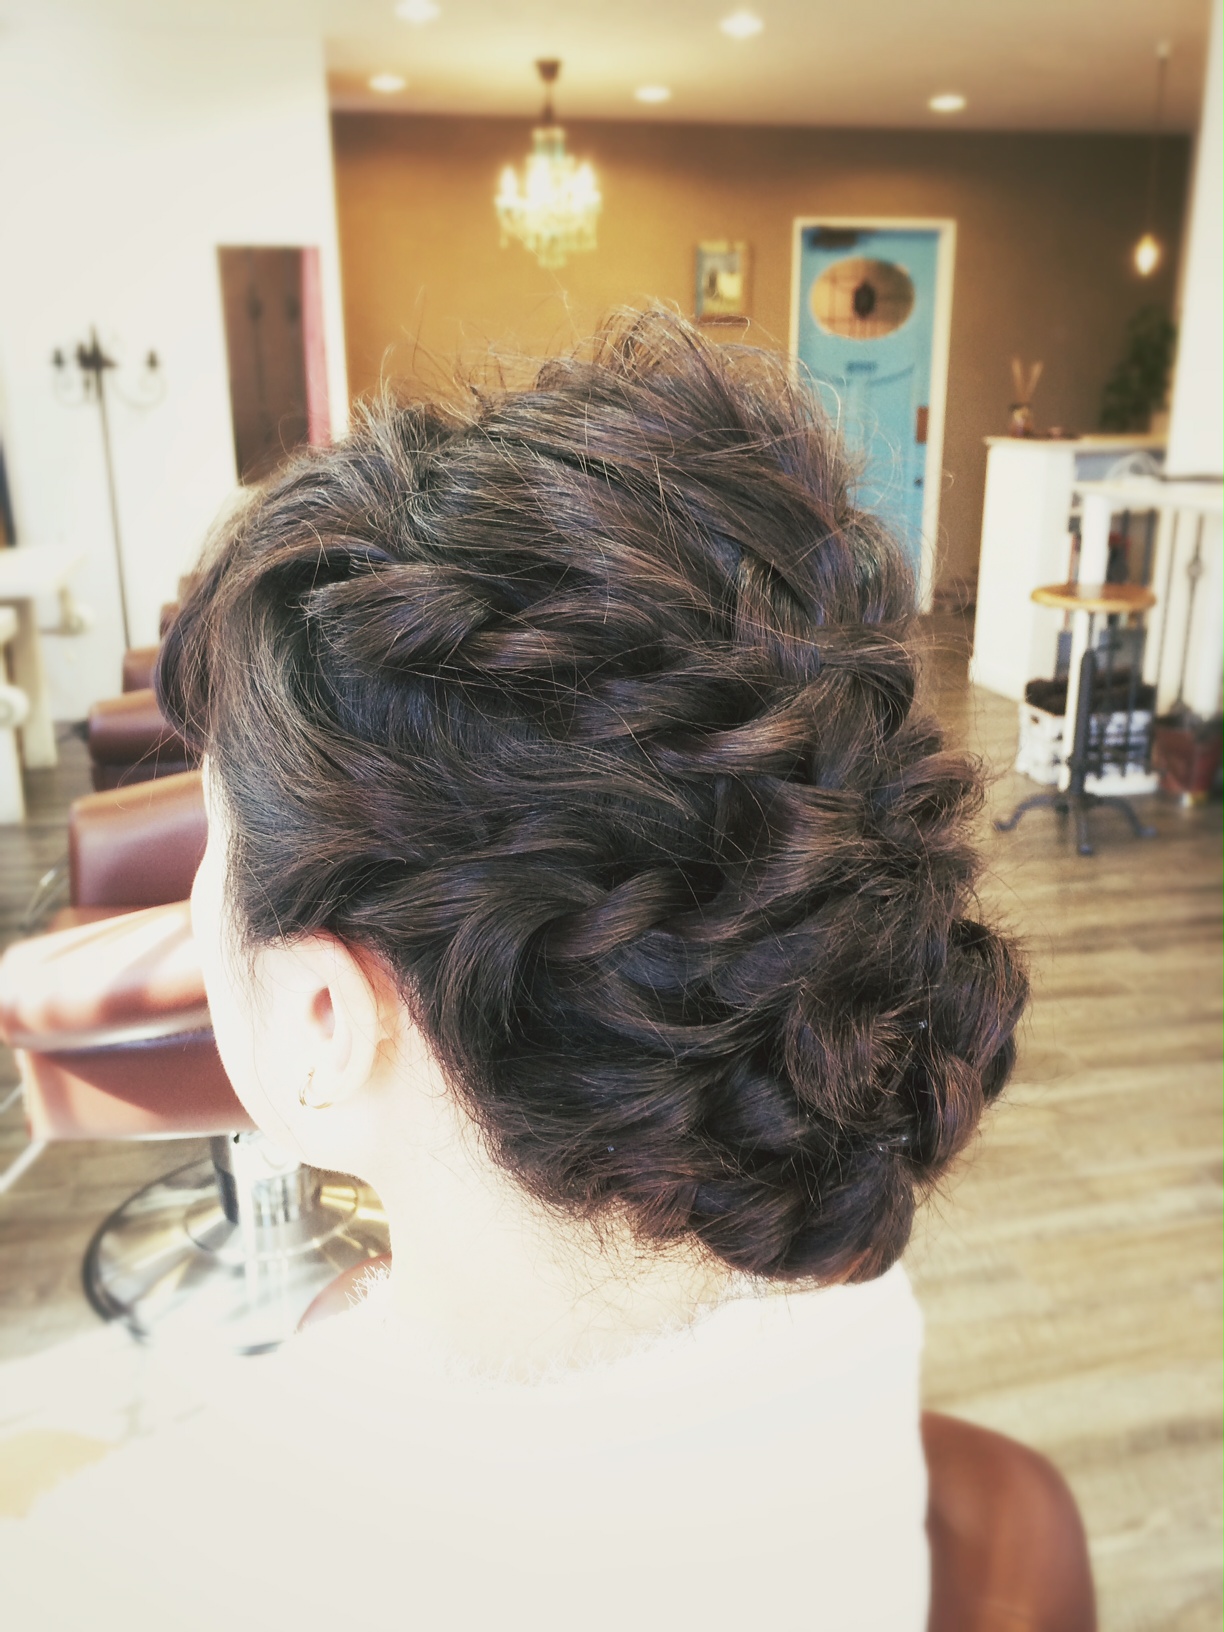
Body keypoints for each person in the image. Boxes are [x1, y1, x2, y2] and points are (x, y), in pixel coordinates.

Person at [2, 310, 1026, 1629]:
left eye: (214, 846)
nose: (201, 895)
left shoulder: (162, 1568)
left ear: (323, 1020)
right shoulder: (840, 1305)